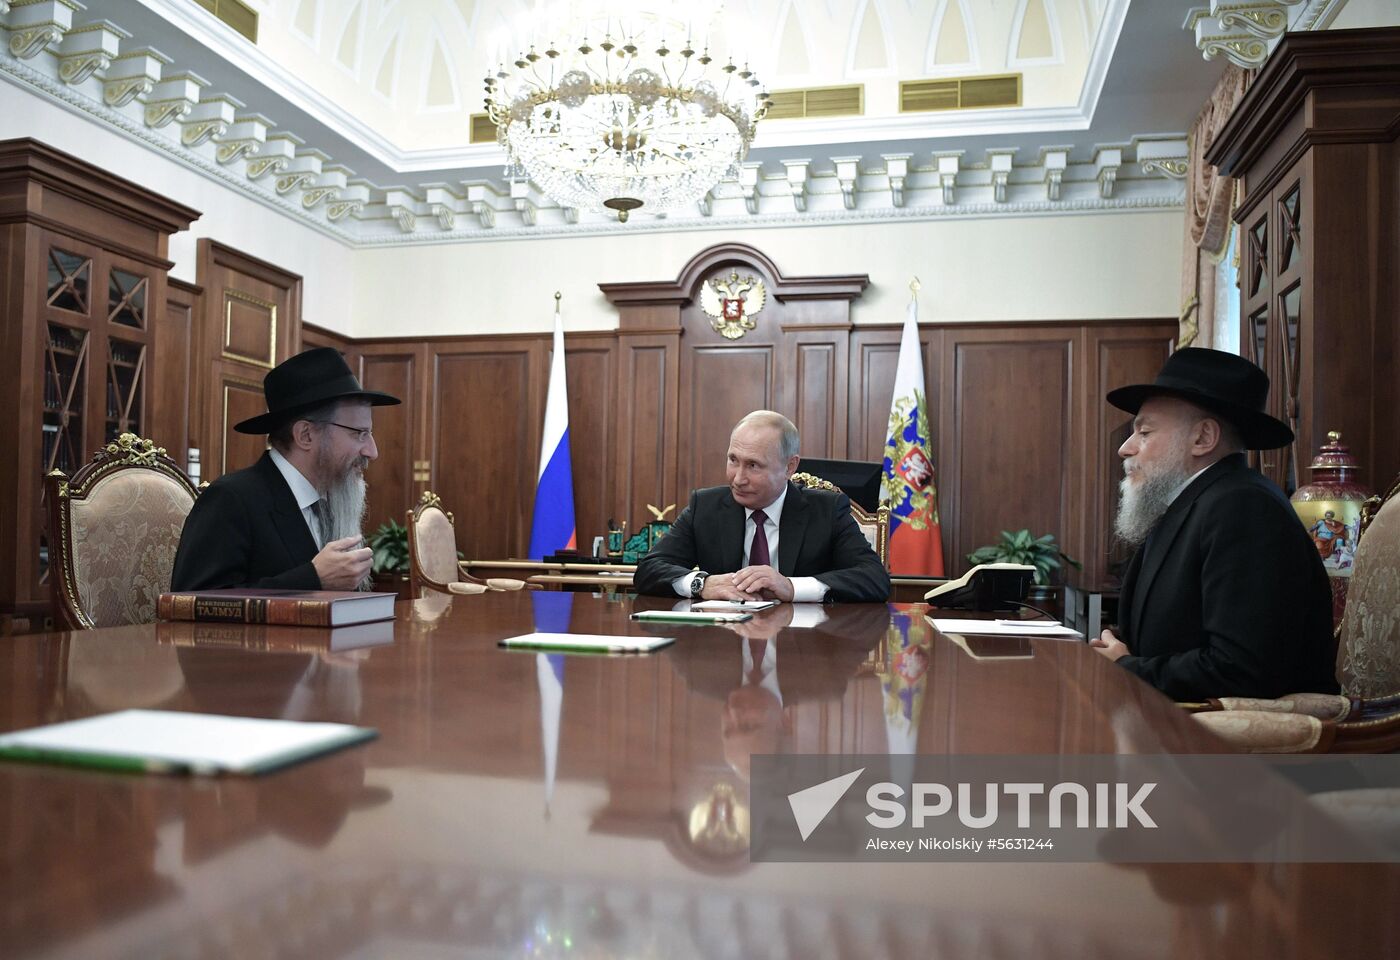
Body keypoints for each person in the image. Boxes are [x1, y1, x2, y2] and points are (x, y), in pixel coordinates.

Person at [1089, 348, 1337, 700]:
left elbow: (1242, 671)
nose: (1126, 448)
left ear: (1203, 438)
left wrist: (1126, 668)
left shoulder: (1245, 508)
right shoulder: (1194, 504)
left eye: (1144, 432)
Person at [171, 347, 399, 592]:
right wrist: (312, 579)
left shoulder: (331, 501)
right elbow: (192, 604)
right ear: (305, 435)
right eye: (359, 434)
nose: (372, 451)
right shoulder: (231, 500)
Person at [633, 410, 890, 603]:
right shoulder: (706, 506)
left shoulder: (827, 510)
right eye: (733, 460)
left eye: (753, 465)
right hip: (722, 650)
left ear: (790, 467)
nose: (738, 478)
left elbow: (874, 579)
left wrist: (791, 587)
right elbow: (649, 570)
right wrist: (703, 583)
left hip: (803, 652)